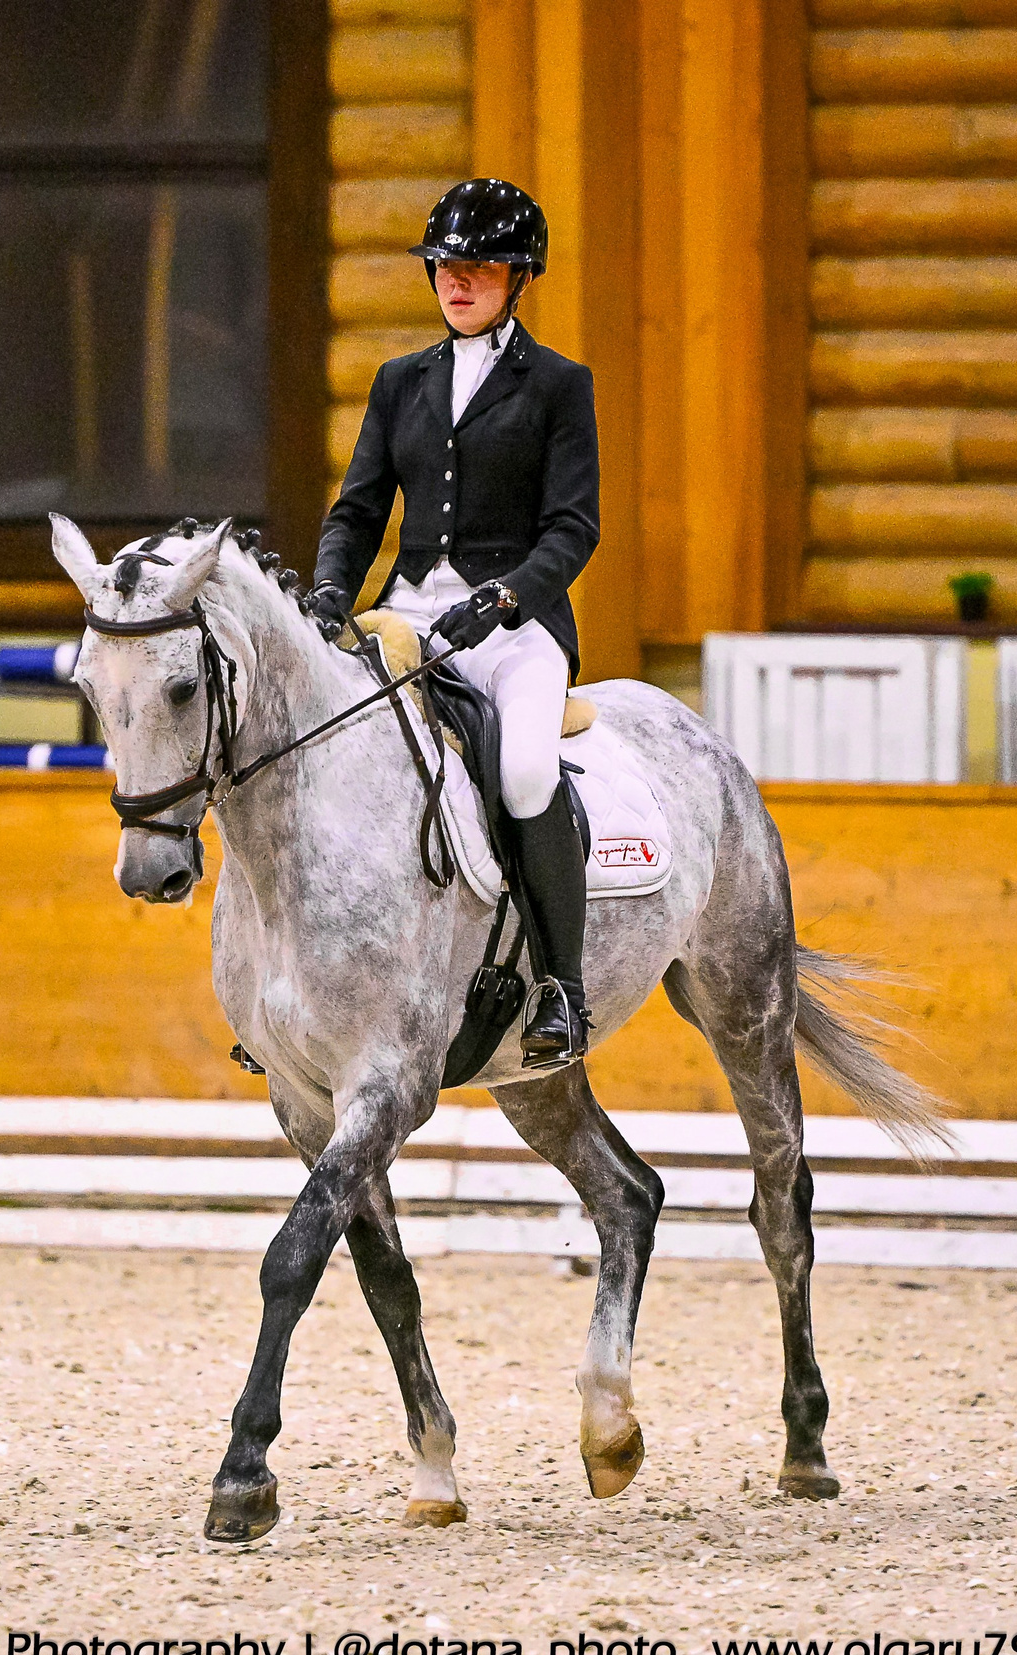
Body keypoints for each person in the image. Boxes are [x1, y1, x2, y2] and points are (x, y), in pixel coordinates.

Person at [308, 177, 599, 1071]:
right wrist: (328, 588)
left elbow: (572, 527)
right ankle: (308, 986)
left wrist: (507, 597)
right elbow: (357, 512)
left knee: (518, 771)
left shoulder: (556, 385)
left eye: (478, 268)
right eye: (445, 266)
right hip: (406, 615)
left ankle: (561, 984)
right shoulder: (401, 383)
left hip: (516, 626)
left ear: (518, 278)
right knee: (326, 753)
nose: (457, 281)